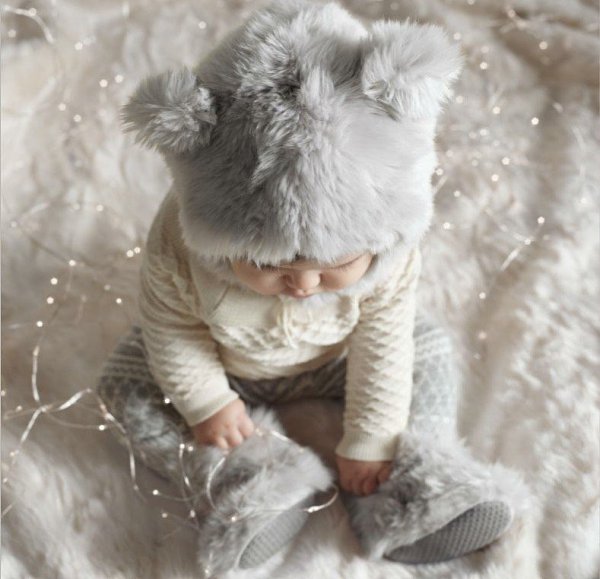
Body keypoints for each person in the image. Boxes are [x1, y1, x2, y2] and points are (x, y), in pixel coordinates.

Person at [96, 0, 528, 575]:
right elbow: (172, 329)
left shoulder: (390, 244)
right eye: (267, 265)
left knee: (427, 349)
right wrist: (207, 403)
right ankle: (247, 477)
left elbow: (383, 340)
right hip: (225, 362)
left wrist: (371, 440)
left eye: (334, 266)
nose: (301, 286)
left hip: (336, 356)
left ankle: (410, 482)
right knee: (125, 386)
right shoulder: (179, 243)